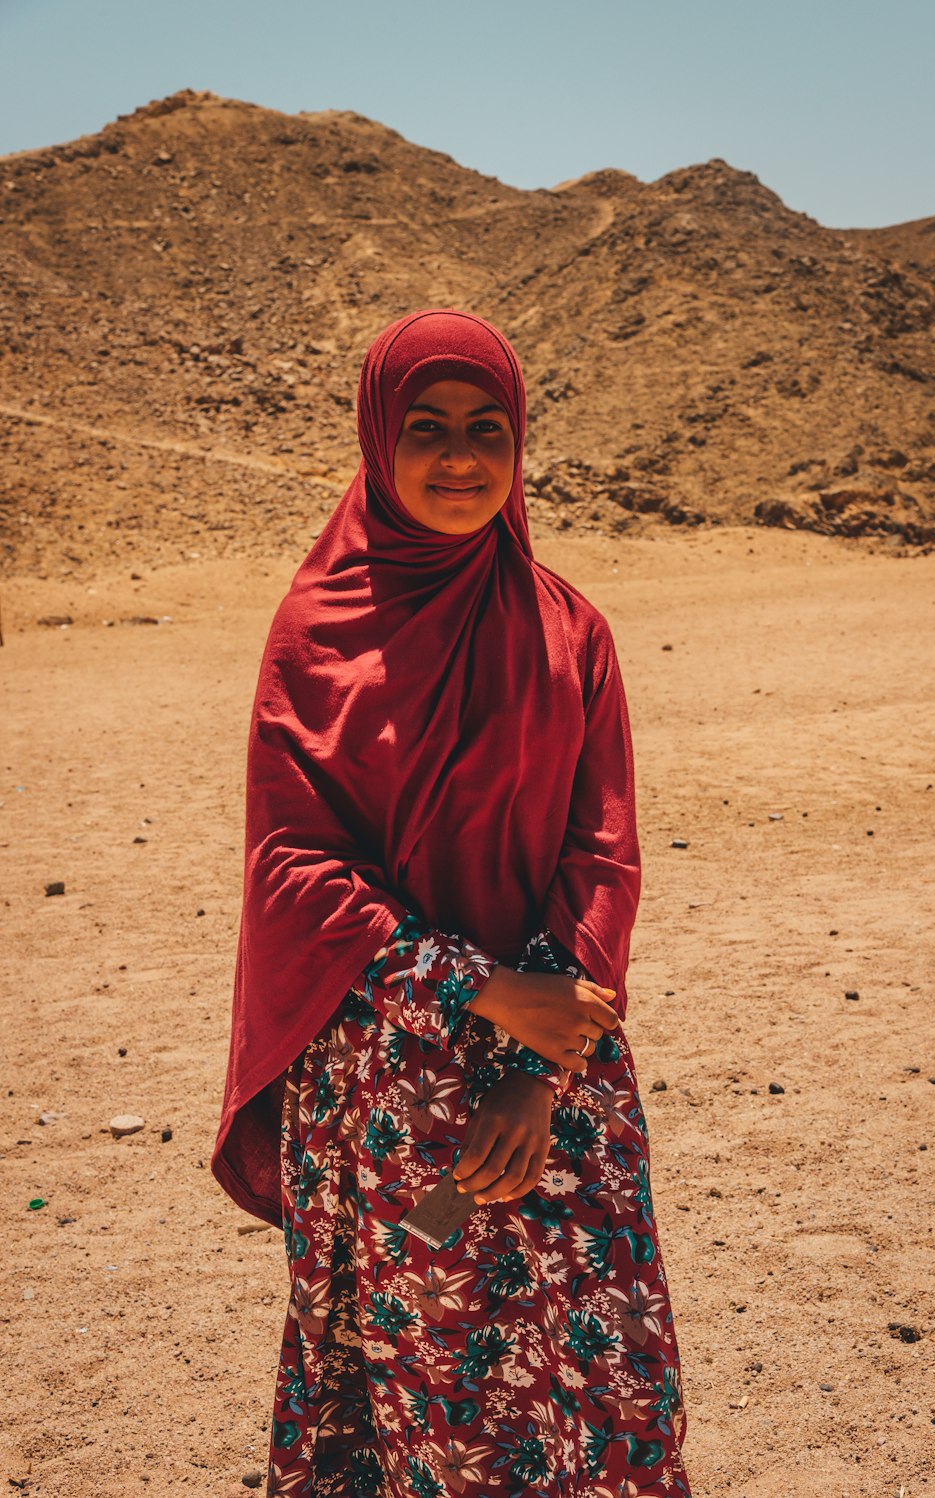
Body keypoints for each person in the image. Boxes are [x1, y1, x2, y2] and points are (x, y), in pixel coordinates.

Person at [212, 309, 689, 1498]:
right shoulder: (317, 632)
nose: (461, 456)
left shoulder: (567, 627)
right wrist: (479, 990)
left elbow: (602, 847)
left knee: (608, 1376)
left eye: (489, 428)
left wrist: (543, 1057)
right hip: (390, 1077)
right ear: (379, 442)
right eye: (426, 429)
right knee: (435, 1388)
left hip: (559, 1072)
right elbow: (295, 865)